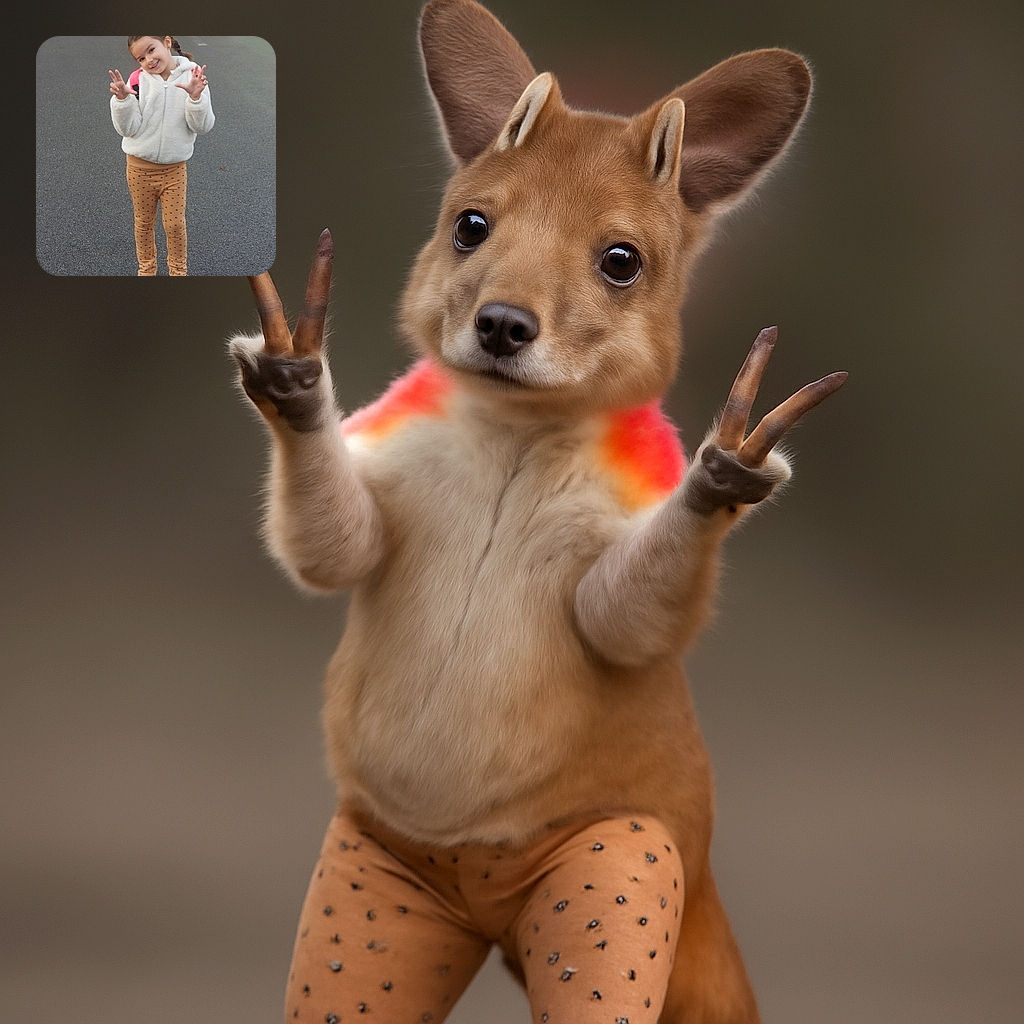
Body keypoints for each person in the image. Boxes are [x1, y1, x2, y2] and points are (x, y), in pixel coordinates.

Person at [108, 36, 215, 276]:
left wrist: (195, 98)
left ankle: (178, 271)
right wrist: (123, 100)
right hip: (138, 168)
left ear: (167, 42)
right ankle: (146, 269)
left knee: (175, 225)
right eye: (141, 58)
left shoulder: (193, 75)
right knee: (144, 223)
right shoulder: (137, 80)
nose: (148, 60)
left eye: (151, 50)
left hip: (174, 170)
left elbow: (203, 126)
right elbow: (128, 129)